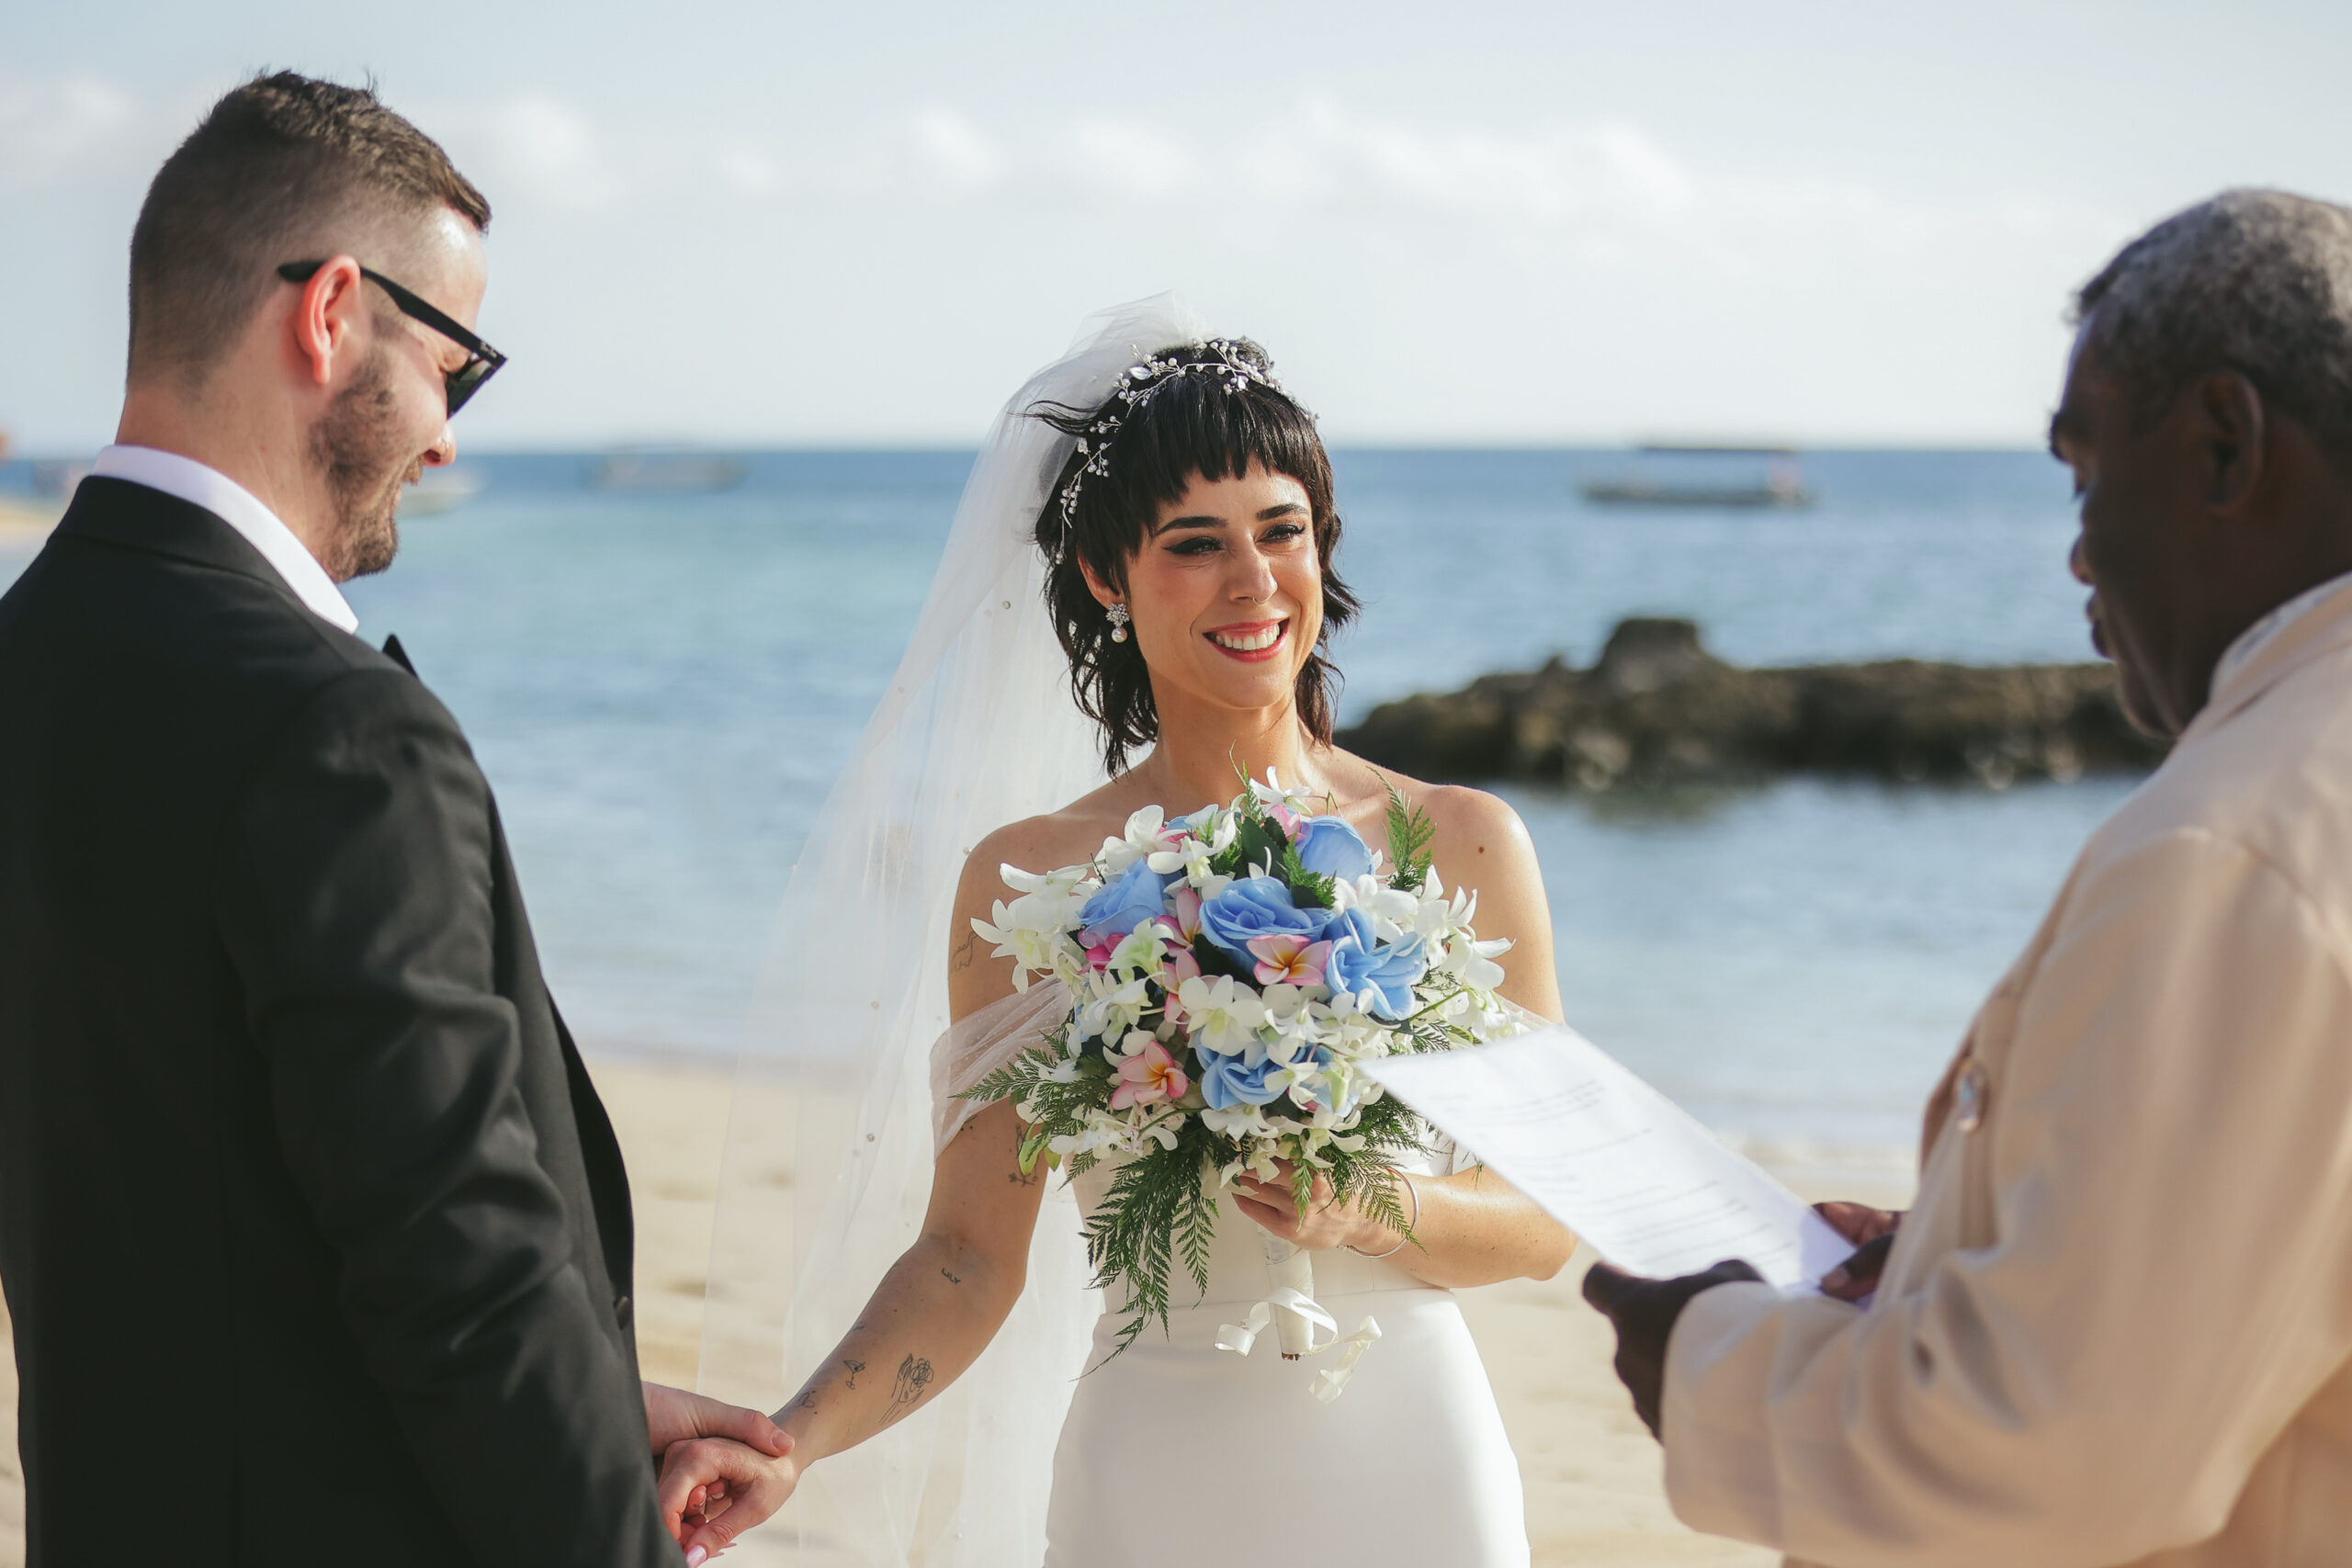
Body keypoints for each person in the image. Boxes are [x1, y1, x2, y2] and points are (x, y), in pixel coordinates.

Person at [0, 73, 781, 1566]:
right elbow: (461, 1273)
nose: (442, 438)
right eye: (455, 367)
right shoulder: (331, 726)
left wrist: (595, 1402)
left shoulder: (27, 661)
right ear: (332, 313)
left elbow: (197, 1191)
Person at [671, 301, 1577, 1563]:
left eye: (1284, 532)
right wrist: (790, 1442)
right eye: (1195, 545)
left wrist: (1365, 1208)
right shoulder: (1031, 880)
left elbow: (1543, 1223)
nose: (1255, 581)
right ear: (1107, 576)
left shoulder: (1464, 841)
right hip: (1159, 1463)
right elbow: (965, 1259)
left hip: (1414, 1456)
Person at [1582, 187, 2352, 1566]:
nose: (2074, 548)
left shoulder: (2233, 846)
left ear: (2226, 447)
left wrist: (1698, 1345)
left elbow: (2051, 1454)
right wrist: (1951, 1247)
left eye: (2086, 470)